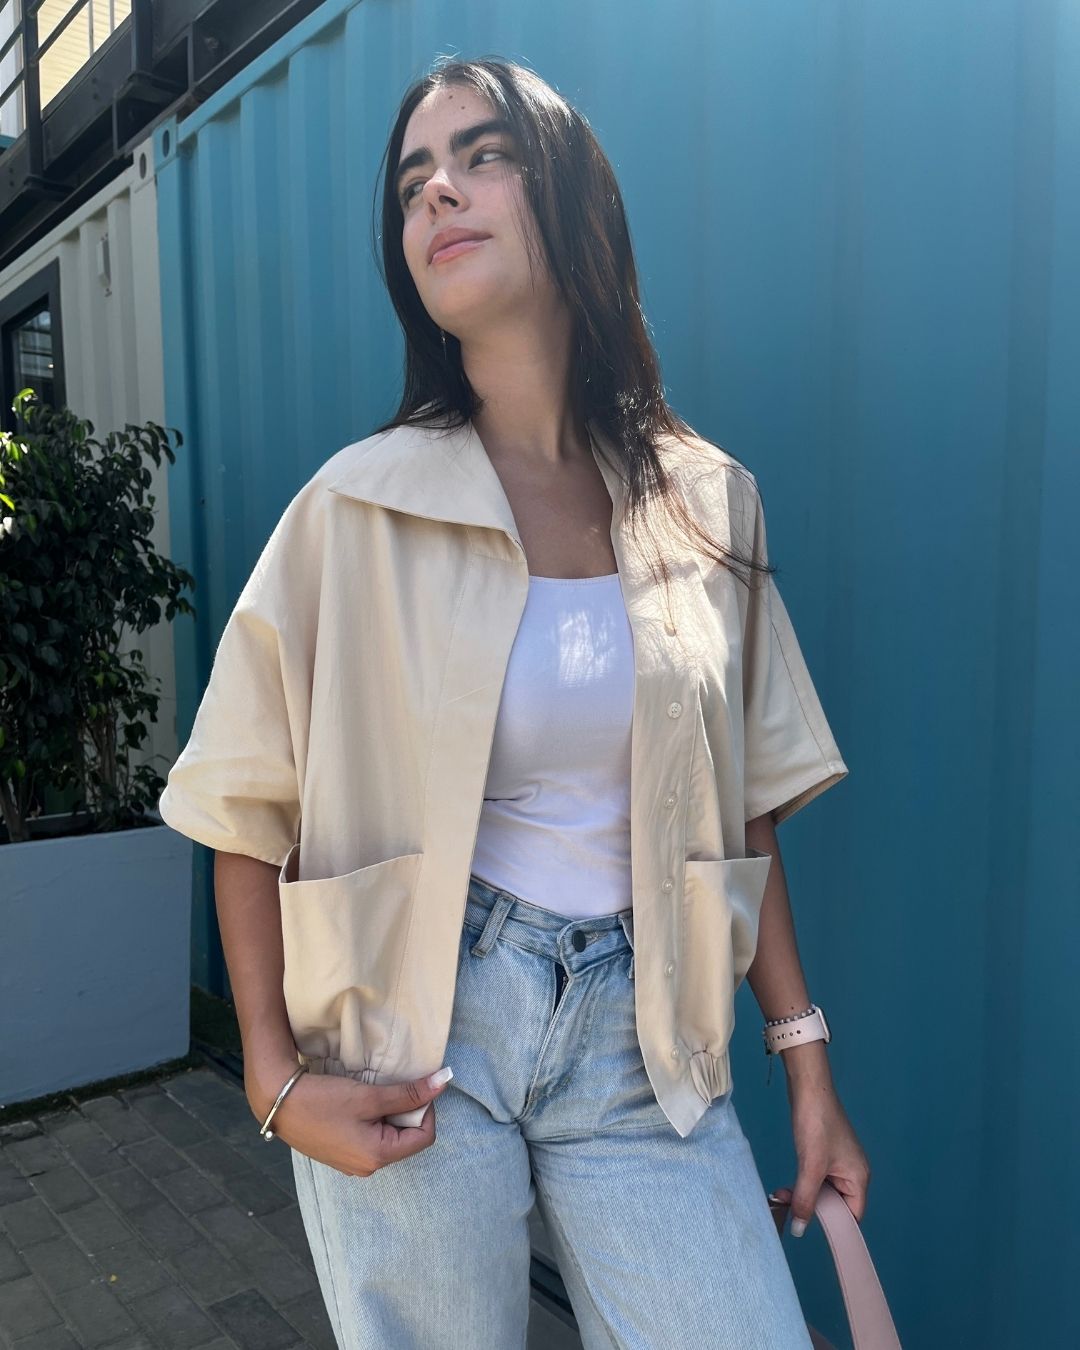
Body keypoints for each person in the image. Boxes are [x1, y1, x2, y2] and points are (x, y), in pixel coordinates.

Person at [159, 55, 870, 1349]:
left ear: (572, 198)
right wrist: (269, 1074)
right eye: (412, 182)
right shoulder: (353, 508)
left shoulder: (708, 503)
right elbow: (241, 807)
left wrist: (803, 1054)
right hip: (410, 1033)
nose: (438, 192)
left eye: (483, 156)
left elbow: (744, 808)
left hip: (647, 1037)